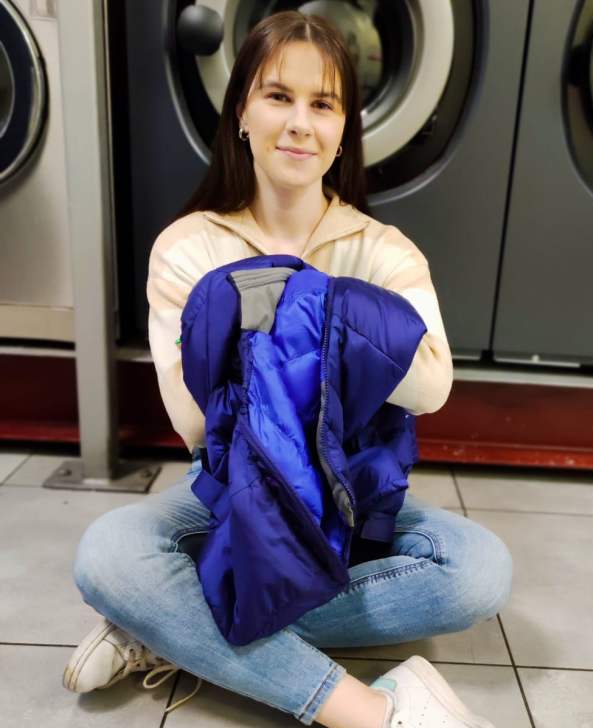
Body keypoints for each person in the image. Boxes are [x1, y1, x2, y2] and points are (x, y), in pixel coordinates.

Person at [63, 11, 513, 728]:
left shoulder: (381, 249)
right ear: (241, 110)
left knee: (477, 571)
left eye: (323, 104)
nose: (300, 123)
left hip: (353, 494)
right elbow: (193, 426)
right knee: (107, 555)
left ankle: (169, 628)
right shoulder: (189, 246)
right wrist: (353, 331)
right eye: (278, 96)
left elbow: (431, 385)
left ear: (342, 133)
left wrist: (287, 304)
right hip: (229, 491)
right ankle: (366, 710)